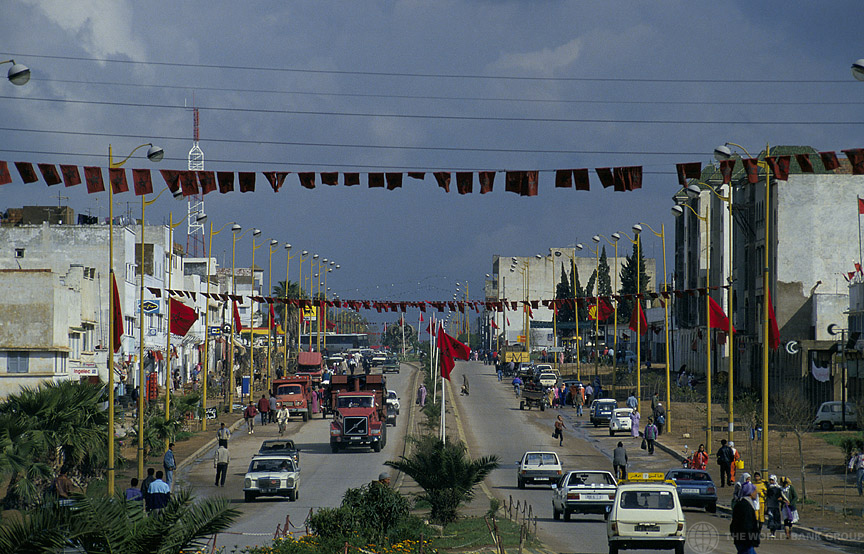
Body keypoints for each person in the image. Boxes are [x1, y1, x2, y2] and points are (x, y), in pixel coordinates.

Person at [730, 481, 761, 554]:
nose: (756, 493)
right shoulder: (746, 506)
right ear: (750, 492)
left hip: (741, 540)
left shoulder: (742, 504)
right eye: (755, 491)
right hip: (745, 541)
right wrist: (752, 539)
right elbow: (747, 525)